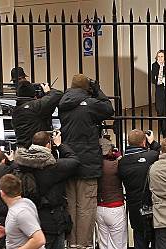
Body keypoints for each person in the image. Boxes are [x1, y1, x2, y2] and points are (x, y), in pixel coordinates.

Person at [58, 74, 115, 249]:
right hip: (87, 163)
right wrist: (97, 90)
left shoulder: (63, 103)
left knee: (71, 205)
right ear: (86, 88)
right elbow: (108, 109)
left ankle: (71, 243)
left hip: (68, 161)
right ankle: (83, 244)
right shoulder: (89, 104)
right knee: (85, 207)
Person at [14, 131, 80, 249]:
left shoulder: (21, 164)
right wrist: (60, 145)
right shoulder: (52, 166)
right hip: (53, 219)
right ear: (48, 145)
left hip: (30, 217)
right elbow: (74, 161)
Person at [117, 129, 160, 249]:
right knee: (157, 238)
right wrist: (153, 143)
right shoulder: (151, 156)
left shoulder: (122, 162)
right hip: (152, 205)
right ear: (143, 141)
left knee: (139, 238)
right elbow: (165, 153)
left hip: (134, 207)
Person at [0, 174, 46, 249]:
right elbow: (24, 226)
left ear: (1, 193)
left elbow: (39, 240)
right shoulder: (26, 202)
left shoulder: (19, 212)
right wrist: (8, 231)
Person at [11, 80, 63, 148]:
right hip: (38, 149)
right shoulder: (35, 107)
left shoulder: (16, 110)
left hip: (23, 148)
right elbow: (57, 94)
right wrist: (48, 91)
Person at [96, 138, 127, 249]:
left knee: (104, 243)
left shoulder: (95, 166)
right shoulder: (115, 165)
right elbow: (125, 166)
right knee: (118, 244)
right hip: (115, 207)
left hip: (99, 208)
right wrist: (118, 156)